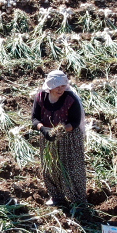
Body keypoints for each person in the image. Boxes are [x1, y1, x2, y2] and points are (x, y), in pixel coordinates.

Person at [30, 70, 87, 206]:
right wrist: (44, 130)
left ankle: (78, 201)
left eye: (63, 86)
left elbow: (74, 122)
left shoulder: (70, 99)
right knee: (51, 167)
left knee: (72, 169)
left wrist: (59, 131)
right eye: (57, 86)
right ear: (50, 86)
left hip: (69, 138)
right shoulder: (41, 97)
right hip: (48, 138)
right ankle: (56, 196)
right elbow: (35, 118)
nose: (60, 89)